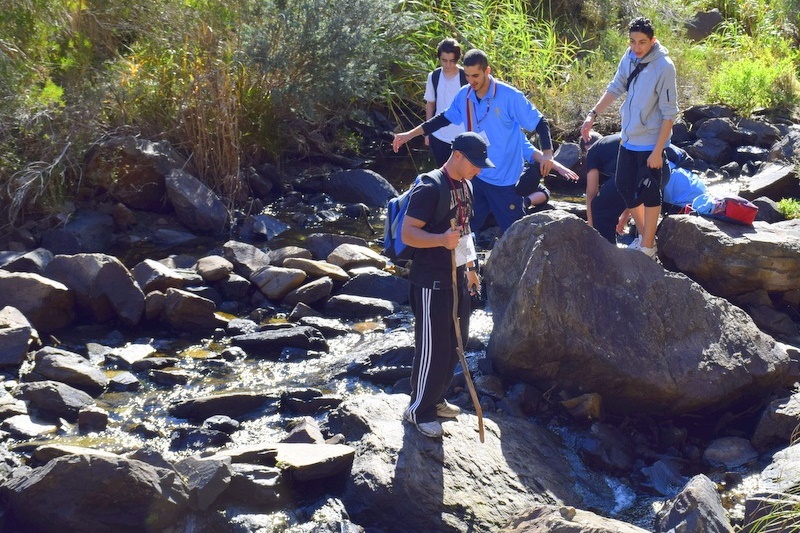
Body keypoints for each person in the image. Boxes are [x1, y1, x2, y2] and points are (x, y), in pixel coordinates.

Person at [394, 48, 555, 233]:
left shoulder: (510, 96)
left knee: (514, 234)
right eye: (468, 76)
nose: (471, 81)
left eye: (476, 75)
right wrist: (409, 135)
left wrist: (548, 154)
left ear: (488, 71)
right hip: (476, 177)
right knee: (465, 231)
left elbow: (540, 122)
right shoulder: (465, 94)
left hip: (505, 182)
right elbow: (442, 119)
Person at [401, 132, 490, 438]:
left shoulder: (466, 185)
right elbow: (408, 234)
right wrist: (440, 240)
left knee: (457, 343)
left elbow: (464, 232)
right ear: (458, 155)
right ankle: (418, 410)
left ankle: (436, 399)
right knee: (432, 347)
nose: (479, 169)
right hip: (430, 281)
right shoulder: (430, 186)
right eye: (475, 163)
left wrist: (470, 268)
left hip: (457, 279)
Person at [580, 17, 679, 259]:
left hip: (651, 142)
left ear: (652, 41)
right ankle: (648, 239)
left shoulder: (664, 66)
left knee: (649, 192)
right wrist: (593, 114)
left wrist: (658, 151)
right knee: (625, 186)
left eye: (642, 42)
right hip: (628, 139)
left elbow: (670, 114)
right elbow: (616, 87)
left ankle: (646, 245)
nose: (637, 47)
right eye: (633, 41)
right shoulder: (630, 57)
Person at [584, 132, 701, 244]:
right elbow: (627, 188)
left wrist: (591, 228)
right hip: (663, 170)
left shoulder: (593, 151)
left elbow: (591, 192)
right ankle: (646, 247)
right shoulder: (616, 140)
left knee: (600, 210)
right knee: (642, 221)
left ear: (586, 149)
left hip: (648, 171)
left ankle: (607, 256)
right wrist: (625, 216)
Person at [424, 38, 468, 166]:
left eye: (452, 61)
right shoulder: (434, 76)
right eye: (444, 60)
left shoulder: (465, 76)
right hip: (439, 136)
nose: (448, 65)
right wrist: (427, 132)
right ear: (439, 58)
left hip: (463, 137)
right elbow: (430, 104)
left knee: (465, 177)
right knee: (444, 177)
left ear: (457, 59)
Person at [516, 137, 579, 213]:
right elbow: (539, 157)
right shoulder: (513, 135)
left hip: (516, 179)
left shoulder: (515, 135)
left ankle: (524, 202)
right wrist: (559, 168)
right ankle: (522, 202)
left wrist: (560, 168)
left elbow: (535, 153)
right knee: (537, 167)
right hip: (509, 182)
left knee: (544, 192)